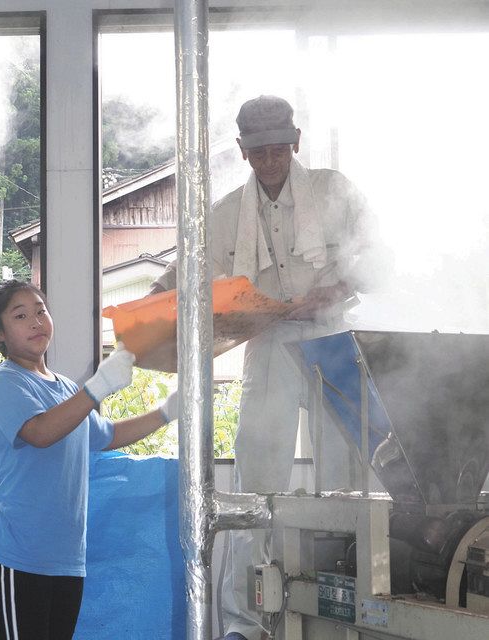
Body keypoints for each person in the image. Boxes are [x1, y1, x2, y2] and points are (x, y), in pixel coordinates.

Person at [150, 95, 386, 640]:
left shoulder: (333, 190)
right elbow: (187, 268)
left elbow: (379, 255)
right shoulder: (228, 212)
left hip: (332, 337)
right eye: (259, 152)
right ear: (242, 151)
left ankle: (344, 618)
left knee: (345, 483)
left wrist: (341, 284)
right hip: (268, 342)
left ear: (296, 142)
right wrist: (151, 307)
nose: (271, 161)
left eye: (279, 148)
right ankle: (244, 625)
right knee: (255, 482)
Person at [0, 279, 177, 640]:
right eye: (21, 316)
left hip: (66, 559)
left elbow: (107, 435)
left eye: (41, 311)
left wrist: (167, 412)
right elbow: (40, 432)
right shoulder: (6, 383)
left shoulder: (66, 387)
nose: (36, 321)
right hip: (18, 558)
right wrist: (97, 387)